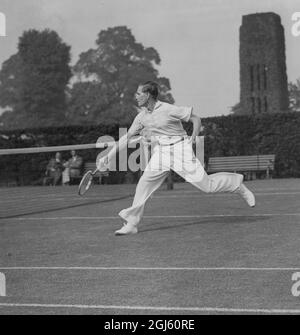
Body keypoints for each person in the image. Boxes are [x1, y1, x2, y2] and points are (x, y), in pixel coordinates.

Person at [98, 81, 255, 236]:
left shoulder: (168, 109)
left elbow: (196, 119)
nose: (136, 96)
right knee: (144, 184)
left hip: (180, 149)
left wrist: (193, 136)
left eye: (139, 93)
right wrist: (108, 156)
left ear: (147, 95)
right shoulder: (141, 117)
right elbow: (126, 138)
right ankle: (131, 224)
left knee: (208, 187)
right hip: (161, 152)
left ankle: (237, 185)